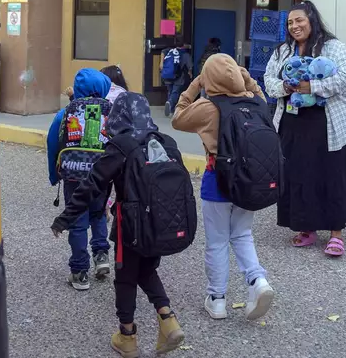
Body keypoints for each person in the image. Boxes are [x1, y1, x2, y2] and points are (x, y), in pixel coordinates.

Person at [51, 92, 185, 358]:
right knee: (146, 269)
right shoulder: (166, 142)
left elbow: (91, 185)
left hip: (131, 224)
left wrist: (65, 219)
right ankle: (168, 320)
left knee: (125, 277)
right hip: (160, 223)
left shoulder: (121, 145)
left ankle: (127, 337)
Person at [172, 53, 275, 321]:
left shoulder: (208, 107)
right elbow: (258, 91)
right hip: (249, 180)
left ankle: (217, 299)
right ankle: (257, 281)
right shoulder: (257, 104)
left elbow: (178, 117)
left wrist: (195, 85)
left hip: (217, 179)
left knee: (217, 241)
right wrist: (246, 78)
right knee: (242, 234)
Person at [263, 0, 346, 256]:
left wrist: (311, 87)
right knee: (299, 176)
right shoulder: (283, 51)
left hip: (331, 124)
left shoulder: (333, 47)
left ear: (312, 20)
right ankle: (306, 228)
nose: (295, 26)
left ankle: (336, 233)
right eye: (290, 22)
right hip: (293, 124)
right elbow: (268, 80)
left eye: (300, 20)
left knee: (333, 176)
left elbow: (345, 77)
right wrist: (286, 87)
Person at [46, 68, 113, 290]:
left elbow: (53, 144)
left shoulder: (66, 112)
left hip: (74, 176)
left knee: (77, 221)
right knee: (98, 214)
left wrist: (55, 175)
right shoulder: (110, 111)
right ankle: (101, 255)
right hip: (101, 176)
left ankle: (79, 272)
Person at [160, 37, 192, 117]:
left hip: (167, 75)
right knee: (175, 92)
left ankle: (170, 109)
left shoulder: (170, 51)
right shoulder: (185, 54)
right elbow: (189, 67)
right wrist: (190, 73)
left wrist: (161, 63)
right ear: (184, 45)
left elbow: (163, 51)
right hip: (178, 77)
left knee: (170, 91)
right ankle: (170, 103)